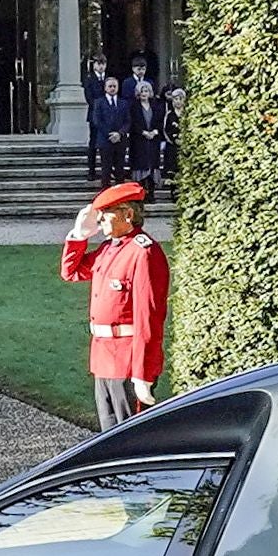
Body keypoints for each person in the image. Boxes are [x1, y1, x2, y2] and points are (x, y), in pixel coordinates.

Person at [63, 181, 168, 431]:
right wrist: (78, 236)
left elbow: (149, 317)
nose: (99, 221)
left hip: (128, 360)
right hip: (103, 357)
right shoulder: (110, 248)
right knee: (108, 436)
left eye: (105, 214)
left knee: (132, 438)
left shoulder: (143, 252)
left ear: (128, 214)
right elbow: (71, 272)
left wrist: (143, 372)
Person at [86, 74, 130, 185]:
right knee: (106, 169)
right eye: (110, 86)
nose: (112, 88)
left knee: (120, 170)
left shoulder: (123, 103)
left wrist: (119, 134)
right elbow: (97, 121)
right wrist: (110, 134)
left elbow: (127, 121)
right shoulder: (99, 102)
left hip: (120, 141)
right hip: (105, 141)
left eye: (114, 86)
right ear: (105, 88)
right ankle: (106, 194)